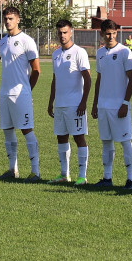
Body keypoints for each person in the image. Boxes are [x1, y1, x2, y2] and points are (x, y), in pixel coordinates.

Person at [0, 7, 42, 182]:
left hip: (20, 95)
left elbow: (36, 70)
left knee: (26, 130)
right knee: (7, 131)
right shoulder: (2, 42)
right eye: (5, 19)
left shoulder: (27, 40)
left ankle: (35, 172)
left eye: (11, 18)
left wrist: (27, 91)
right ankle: (12, 169)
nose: (8, 22)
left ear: (18, 20)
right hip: (4, 93)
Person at [91, 19, 132, 189]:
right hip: (103, 105)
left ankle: (130, 179)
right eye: (107, 33)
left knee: (125, 142)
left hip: (119, 106)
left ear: (117, 33)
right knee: (106, 142)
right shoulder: (100, 52)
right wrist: (95, 104)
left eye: (114, 33)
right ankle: (107, 178)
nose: (110, 36)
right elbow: (99, 79)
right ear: (102, 34)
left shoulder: (125, 52)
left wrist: (125, 103)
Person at [47, 20, 92, 186]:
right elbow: (55, 79)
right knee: (61, 138)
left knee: (79, 137)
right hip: (60, 104)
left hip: (75, 104)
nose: (62, 35)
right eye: (59, 32)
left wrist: (83, 102)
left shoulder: (79, 52)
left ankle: (82, 176)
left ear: (71, 32)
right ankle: (64, 174)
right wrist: (51, 101)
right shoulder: (55, 54)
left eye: (65, 32)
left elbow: (88, 79)